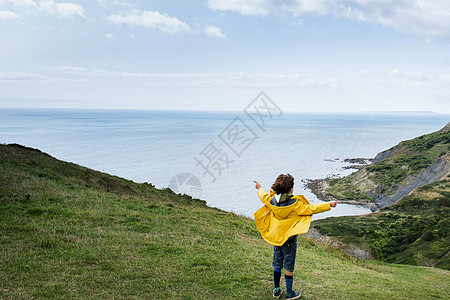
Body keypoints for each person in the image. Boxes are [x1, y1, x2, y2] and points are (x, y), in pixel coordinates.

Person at [253, 174, 339, 299]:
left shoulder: (271, 201)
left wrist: (259, 188)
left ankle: (276, 290)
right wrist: (329, 204)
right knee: (288, 266)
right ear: (291, 189)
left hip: (276, 238)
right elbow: (311, 208)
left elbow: (263, 196)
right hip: (289, 240)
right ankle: (289, 293)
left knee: (277, 264)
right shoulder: (295, 204)